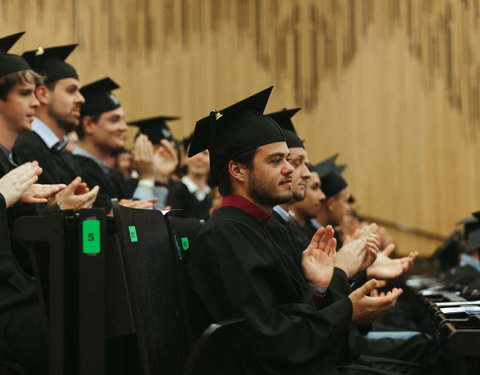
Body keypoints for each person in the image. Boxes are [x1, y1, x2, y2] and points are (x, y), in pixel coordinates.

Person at [186, 86, 403, 374]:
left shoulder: (259, 227)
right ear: (237, 170)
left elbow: (286, 316)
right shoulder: (225, 236)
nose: (290, 169)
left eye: (289, 159)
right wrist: (347, 312)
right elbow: (269, 341)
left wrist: (317, 288)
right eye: (276, 161)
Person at [12, 43, 98, 210]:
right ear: (43, 94)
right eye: (71, 90)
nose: (81, 99)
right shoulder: (26, 148)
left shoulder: (63, 154)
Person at [74, 77, 156, 211]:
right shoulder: (78, 173)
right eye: (114, 120)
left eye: (123, 120)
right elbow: (95, 228)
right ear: (88, 124)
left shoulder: (112, 174)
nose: (123, 127)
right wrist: (146, 177)